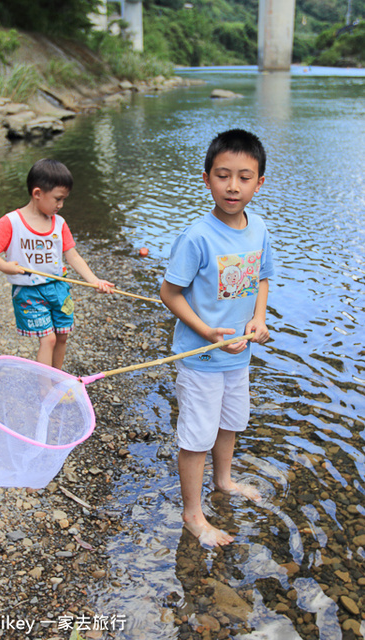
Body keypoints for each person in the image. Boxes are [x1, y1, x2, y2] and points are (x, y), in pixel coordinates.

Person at [160, 129, 274, 547]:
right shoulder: (196, 237)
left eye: (244, 177)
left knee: (232, 423)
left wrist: (258, 319)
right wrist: (206, 330)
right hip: (201, 357)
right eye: (223, 175)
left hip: (238, 357)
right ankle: (193, 514)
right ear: (206, 178)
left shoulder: (259, 228)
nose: (233, 186)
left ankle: (223, 480)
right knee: (196, 436)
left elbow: (261, 277)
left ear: (259, 183)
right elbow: (169, 292)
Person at [0, 158, 114, 370]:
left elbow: (72, 256)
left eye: (64, 199)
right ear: (37, 193)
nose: (61, 205)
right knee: (47, 339)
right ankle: (44, 387)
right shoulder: (13, 222)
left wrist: (94, 280)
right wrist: (3, 265)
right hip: (30, 293)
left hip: (58, 288)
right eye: (58, 199)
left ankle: (57, 378)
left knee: (62, 335)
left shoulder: (59, 223)